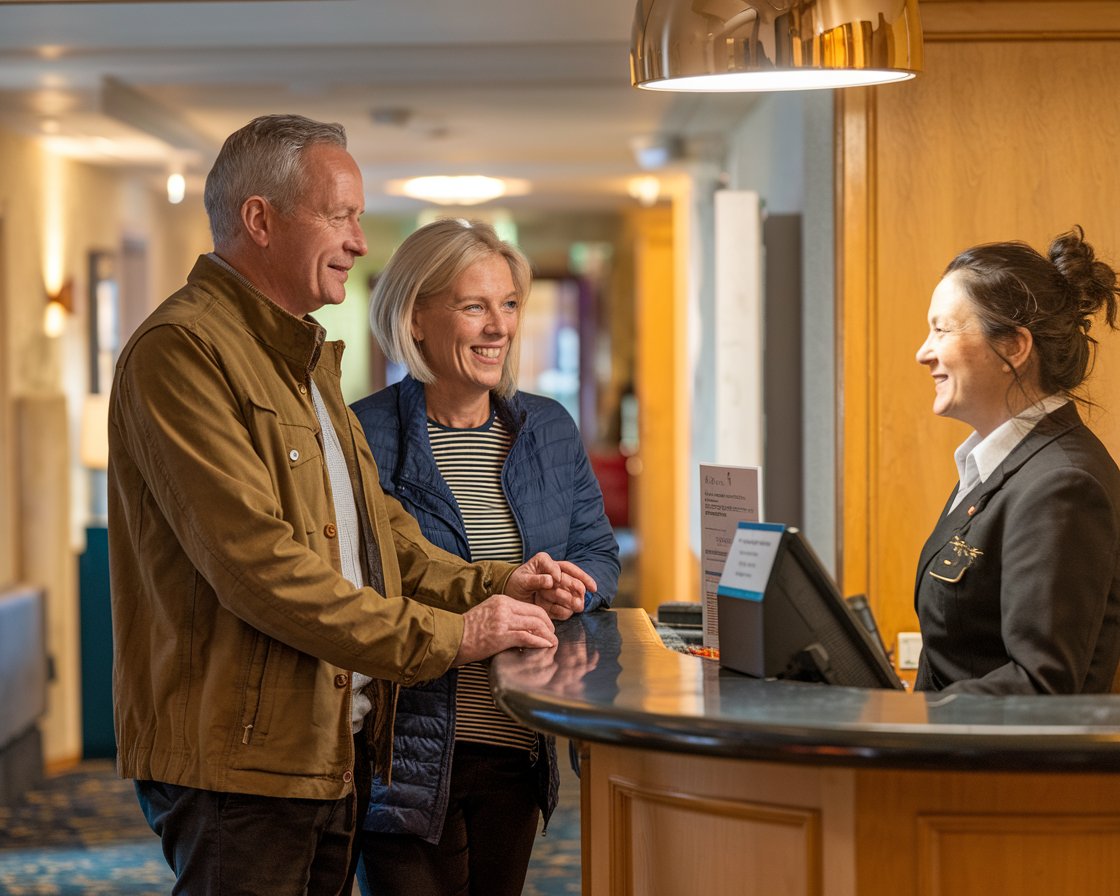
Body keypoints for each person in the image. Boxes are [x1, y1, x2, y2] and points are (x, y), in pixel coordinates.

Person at [107, 115, 596, 896]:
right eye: (342, 215)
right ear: (260, 219)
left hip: (327, 748)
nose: (361, 242)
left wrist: (499, 585)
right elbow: (259, 570)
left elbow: (384, 541)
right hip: (241, 761)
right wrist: (457, 633)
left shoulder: (304, 361)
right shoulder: (183, 351)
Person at [350, 218, 620, 896]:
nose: (498, 326)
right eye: (474, 306)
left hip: (516, 743)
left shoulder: (548, 427)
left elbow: (598, 550)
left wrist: (574, 590)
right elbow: (359, 587)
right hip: (406, 755)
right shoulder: (365, 434)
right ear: (415, 318)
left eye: (508, 305)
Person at [913, 225, 1120, 695]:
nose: (923, 352)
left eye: (941, 330)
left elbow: (1039, 684)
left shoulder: (1063, 482)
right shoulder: (995, 467)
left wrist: (913, 719)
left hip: (1000, 767)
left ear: (1014, 346)